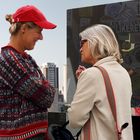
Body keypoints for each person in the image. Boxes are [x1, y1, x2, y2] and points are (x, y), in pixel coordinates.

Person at [67, 24, 133, 140]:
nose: (80, 49)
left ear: (95, 41)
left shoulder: (92, 75)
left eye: (82, 43)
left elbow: (74, 120)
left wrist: (83, 81)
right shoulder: (122, 72)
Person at [0, 5, 56, 140]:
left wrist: (44, 86)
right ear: (24, 28)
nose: (41, 37)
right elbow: (45, 96)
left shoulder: (26, 59)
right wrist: (44, 85)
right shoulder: (8, 59)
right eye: (39, 31)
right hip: (19, 136)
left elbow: (47, 91)